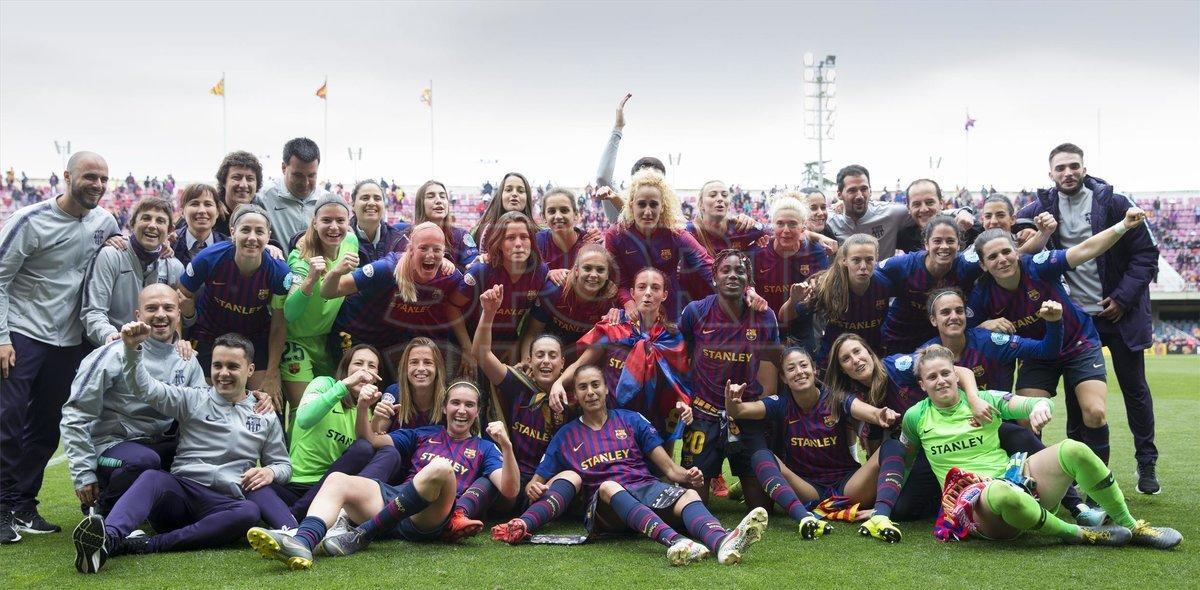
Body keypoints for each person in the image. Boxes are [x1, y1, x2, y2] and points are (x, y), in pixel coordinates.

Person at [898, 345, 1180, 549]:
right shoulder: (915, 417)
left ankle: (1132, 526)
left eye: (945, 373)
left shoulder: (985, 400)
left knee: (1072, 448)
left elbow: (1033, 402)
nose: (941, 381)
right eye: (932, 377)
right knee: (1000, 492)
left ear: (956, 375)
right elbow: (905, 461)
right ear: (922, 385)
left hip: (1017, 482)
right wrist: (884, 505)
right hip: (980, 509)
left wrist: (1040, 408)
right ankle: (1077, 533)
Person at [493, 364, 768, 567]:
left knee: (691, 496)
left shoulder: (631, 419)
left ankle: (722, 543)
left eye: (595, 385)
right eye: (583, 387)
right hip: (605, 509)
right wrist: (537, 489)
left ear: (606, 388)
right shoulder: (565, 435)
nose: (590, 392)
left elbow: (671, 471)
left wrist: (690, 476)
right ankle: (675, 541)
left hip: (645, 491)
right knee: (609, 485)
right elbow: (535, 482)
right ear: (575, 395)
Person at [72, 328, 291, 573]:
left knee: (249, 512)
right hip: (181, 495)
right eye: (217, 365)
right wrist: (132, 351)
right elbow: (146, 388)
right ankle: (107, 539)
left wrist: (271, 472)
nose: (223, 373)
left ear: (250, 370)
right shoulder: (192, 399)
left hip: (222, 503)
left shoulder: (264, 414)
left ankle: (148, 545)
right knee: (153, 477)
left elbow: (283, 464)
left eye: (233, 366)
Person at [246, 381, 518, 569]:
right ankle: (303, 541)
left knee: (440, 468)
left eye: (469, 405)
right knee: (337, 480)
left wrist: (505, 445)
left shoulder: (484, 447)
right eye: (455, 403)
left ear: (478, 411)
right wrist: (365, 407)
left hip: (432, 513)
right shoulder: (423, 434)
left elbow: (509, 489)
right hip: (397, 498)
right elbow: (370, 439)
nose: (461, 410)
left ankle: (362, 534)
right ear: (445, 406)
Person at [1017, 143, 1162, 494]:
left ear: (1084, 168)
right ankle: (1079, 469)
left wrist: (1124, 299)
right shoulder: (1037, 210)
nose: (1068, 172)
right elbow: (1011, 251)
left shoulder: (1113, 202)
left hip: (1119, 313)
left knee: (1134, 388)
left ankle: (1146, 462)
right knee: (1074, 395)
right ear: (1050, 173)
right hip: (1074, 320)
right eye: (1060, 168)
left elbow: (1147, 254)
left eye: (1073, 166)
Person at [968, 207, 1148, 475]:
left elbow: (1086, 249)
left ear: (1017, 251)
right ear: (983, 264)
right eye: (992, 257)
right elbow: (965, 330)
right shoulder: (982, 294)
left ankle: (1097, 488)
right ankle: (1040, 480)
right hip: (1037, 354)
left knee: (1095, 412)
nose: (1002, 260)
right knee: (1024, 419)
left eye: (1006, 252)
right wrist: (983, 324)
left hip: (1078, 344)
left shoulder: (1039, 265)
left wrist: (1123, 225)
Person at [0, 151, 119, 543]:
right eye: (90, 177)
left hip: (68, 340)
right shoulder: (29, 220)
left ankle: (23, 504)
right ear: (67, 177)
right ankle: (0, 507)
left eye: (103, 179)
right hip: (22, 332)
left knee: (47, 425)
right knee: (8, 417)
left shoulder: (105, 221)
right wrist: (2, 337)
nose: (97, 185)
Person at [725, 347, 906, 542]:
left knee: (893, 446)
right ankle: (804, 518)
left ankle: (880, 517)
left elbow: (861, 409)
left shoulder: (834, 398)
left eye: (804, 365)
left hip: (848, 486)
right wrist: (732, 400)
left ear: (814, 370)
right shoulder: (781, 404)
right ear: (784, 378)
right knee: (761, 456)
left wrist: (879, 415)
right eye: (791, 368)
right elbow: (738, 411)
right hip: (808, 490)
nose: (799, 371)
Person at [62, 285, 208, 516]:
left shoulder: (186, 358)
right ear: (138, 316)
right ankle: (104, 512)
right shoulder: (112, 353)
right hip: (112, 447)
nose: (161, 314)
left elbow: (204, 411)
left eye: (168, 308)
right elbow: (75, 414)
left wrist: (251, 399)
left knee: (201, 453)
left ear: (178, 314)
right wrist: (84, 473)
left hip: (157, 444)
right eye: (152, 308)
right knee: (142, 460)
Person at [678, 250, 780, 508]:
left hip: (745, 414)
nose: (733, 275)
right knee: (693, 501)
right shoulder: (695, 312)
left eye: (740, 271)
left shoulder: (765, 315)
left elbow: (769, 368)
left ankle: (741, 481)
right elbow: (682, 355)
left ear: (748, 281)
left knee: (761, 506)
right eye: (726, 270)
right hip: (704, 414)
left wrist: (763, 412)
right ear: (714, 278)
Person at [551, 267, 692, 441]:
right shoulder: (613, 327)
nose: (648, 293)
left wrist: (683, 404)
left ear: (664, 295)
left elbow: (678, 382)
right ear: (632, 293)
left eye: (655, 288)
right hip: (610, 418)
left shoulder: (671, 337)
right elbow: (581, 364)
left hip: (652, 422)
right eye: (642, 287)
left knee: (658, 467)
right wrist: (558, 383)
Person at [271, 345, 401, 520]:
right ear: (346, 368)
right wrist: (344, 385)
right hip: (298, 484)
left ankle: (303, 516)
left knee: (379, 451)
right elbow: (304, 419)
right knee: (252, 488)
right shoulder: (324, 384)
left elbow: (364, 453)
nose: (364, 371)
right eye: (358, 364)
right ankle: (297, 515)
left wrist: (371, 414)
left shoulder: (367, 410)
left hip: (331, 491)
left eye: (371, 366)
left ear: (377, 376)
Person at [472, 283, 570, 516]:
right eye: (540, 355)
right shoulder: (517, 384)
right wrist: (488, 313)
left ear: (563, 364)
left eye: (552, 356)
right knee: (495, 488)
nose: (546, 361)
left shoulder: (573, 399)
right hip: (510, 473)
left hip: (546, 479)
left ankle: (531, 516)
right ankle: (461, 514)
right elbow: (482, 355)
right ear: (530, 360)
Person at [179, 204, 292, 402]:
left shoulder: (279, 272)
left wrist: (273, 372)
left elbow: (278, 324)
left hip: (254, 337)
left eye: (259, 232)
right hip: (209, 333)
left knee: (267, 403)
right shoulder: (209, 258)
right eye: (245, 230)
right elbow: (180, 296)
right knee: (202, 402)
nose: (252, 237)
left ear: (268, 236)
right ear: (233, 232)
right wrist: (179, 339)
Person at [324, 222, 469, 374]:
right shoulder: (386, 269)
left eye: (436, 249)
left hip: (389, 339)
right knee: (353, 385)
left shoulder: (448, 276)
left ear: (444, 252)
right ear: (411, 250)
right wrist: (335, 272)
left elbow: (457, 306)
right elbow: (329, 292)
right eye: (423, 248)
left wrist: (467, 348)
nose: (430, 255)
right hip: (353, 333)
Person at [279, 196, 358, 405]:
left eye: (340, 220)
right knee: (303, 408)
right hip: (297, 342)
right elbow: (289, 312)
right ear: (314, 222)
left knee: (335, 406)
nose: (334, 227)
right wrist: (311, 278)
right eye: (326, 220)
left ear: (349, 222)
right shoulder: (301, 257)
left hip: (328, 340)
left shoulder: (351, 242)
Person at [604, 170, 713, 319]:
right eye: (641, 204)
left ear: (662, 207)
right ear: (631, 205)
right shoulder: (615, 235)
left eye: (653, 205)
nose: (648, 212)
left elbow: (705, 263)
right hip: (631, 309)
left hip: (670, 310)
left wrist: (743, 291)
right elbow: (617, 280)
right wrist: (629, 303)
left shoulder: (676, 233)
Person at [82, 196, 186, 347]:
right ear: (132, 224)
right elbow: (93, 311)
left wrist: (176, 344)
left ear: (170, 230)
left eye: (160, 221)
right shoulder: (111, 256)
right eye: (146, 218)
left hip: (154, 355)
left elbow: (178, 317)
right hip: (111, 348)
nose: (152, 225)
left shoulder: (174, 267)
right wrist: (113, 337)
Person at [454, 211, 550, 367]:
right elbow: (452, 306)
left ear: (532, 241)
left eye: (524, 237)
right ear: (499, 243)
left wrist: (526, 358)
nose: (518, 244)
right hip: (469, 343)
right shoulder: (481, 271)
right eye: (510, 238)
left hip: (508, 346)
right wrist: (466, 348)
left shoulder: (539, 272)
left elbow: (532, 326)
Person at [877, 215, 983, 354]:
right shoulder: (904, 265)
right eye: (937, 241)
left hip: (937, 342)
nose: (944, 246)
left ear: (958, 245)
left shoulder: (967, 267)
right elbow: (869, 274)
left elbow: (1001, 253)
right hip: (897, 339)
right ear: (926, 244)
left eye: (950, 241)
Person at [784, 234, 893, 367]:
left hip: (872, 357)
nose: (863, 266)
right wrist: (793, 300)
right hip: (833, 359)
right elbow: (784, 316)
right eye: (856, 260)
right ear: (844, 261)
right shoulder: (825, 286)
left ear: (876, 259)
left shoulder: (885, 284)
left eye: (869, 260)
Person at [826, 166, 973, 259]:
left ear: (870, 190)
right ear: (839, 194)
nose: (859, 195)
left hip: (880, 292)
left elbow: (927, 212)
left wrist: (962, 211)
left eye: (864, 189)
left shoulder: (891, 213)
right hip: (842, 294)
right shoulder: (828, 218)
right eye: (852, 190)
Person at [749, 195, 829, 348]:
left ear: (803, 227)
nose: (786, 230)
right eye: (780, 224)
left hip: (800, 328)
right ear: (772, 225)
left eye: (792, 224)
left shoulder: (816, 253)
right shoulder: (757, 252)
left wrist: (795, 301)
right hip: (764, 327)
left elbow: (813, 298)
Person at [522, 244, 621, 356]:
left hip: (577, 362)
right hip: (544, 356)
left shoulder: (609, 303)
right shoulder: (554, 290)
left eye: (600, 270)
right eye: (587, 268)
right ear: (577, 270)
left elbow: (597, 352)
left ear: (608, 274)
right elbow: (532, 333)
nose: (594, 275)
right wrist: (527, 361)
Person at [254, 138, 331, 249]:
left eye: (311, 175)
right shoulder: (264, 197)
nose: (305, 183)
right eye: (298, 175)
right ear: (284, 168)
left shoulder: (326, 201)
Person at [372, 338, 448, 433]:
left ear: (438, 369)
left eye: (428, 362)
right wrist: (376, 418)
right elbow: (376, 434)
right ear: (405, 368)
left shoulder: (449, 398)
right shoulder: (394, 392)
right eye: (414, 362)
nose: (421, 368)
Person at [411, 180, 477, 269]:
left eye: (443, 196)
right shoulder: (408, 236)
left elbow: (473, 265)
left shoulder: (462, 235)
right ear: (420, 204)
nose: (439, 201)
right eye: (431, 196)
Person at [349, 180, 406, 264]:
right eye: (365, 198)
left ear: (383, 204)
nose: (372, 203)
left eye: (377, 198)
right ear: (353, 205)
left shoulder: (399, 241)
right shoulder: (340, 239)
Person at [471, 172, 534, 248]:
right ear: (500, 195)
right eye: (508, 190)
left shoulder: (540, 235)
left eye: (520, 191)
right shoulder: (480, 232)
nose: (514, 194)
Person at [209, 151, 263, 238]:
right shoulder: (209, 208)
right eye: (236, 178)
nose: (243, 185)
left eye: (250, 179)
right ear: (224, 181)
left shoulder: (260, 209)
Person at [534, 187, 590, 271]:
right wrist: (548, 274)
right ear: (543, 217)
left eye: (564, 210)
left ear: (576, 214)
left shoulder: (588, 240)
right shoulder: (538, 241)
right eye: (552, 211)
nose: (558, 216)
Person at [174, 184, 227, 266]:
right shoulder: (170, 243)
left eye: (208, 204)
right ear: (182, 212)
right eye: (194, 204)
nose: (202, 211)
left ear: (217, 212)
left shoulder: (228, 248)